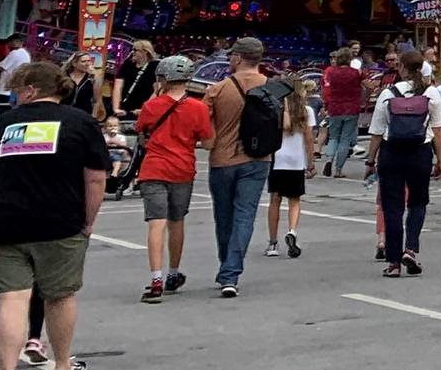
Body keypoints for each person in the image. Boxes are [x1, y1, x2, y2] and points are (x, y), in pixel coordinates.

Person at [0, 62, 106, 370]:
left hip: (2, 221)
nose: (16, 96)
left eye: (19, 90)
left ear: (31, 89)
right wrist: (88, 221)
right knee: (60, 296)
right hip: (59, 221)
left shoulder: (4, 125)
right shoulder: (81, 123)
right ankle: (62, 365)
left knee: (12, 298)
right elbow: (96, 179)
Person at [202, 37, 285, 297]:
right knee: (245, 215)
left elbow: (205, 133)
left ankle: (226, 266)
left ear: (237, 57)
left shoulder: (217, 90)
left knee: (223, 215)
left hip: (223, 160)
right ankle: (231, 272)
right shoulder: (272, 88)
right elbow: (284, 123)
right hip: (259, 159)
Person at [131, 57, 211, 304]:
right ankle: (173, 272)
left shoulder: (152, 106)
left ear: (163, 79)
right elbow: (207, 141)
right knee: (177, 222)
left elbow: (141, 130)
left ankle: (155, 278)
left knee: (156, 223)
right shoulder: (198, 108)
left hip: (154, 168)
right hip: (182, 169)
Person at [366, 44, 441, 277]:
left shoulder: (388, 93)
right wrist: (440, 161)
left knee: (392, 206)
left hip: (392, 152)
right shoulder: (431, 94)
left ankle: (393, 262)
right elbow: (438, 132)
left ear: (401, 68)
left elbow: (377, 132)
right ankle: (410, 248)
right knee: (418, 203)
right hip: (420, 152)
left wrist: (370, 161)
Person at [261, 79, 316, 260]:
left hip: (277, 158)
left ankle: (272, 242)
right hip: (296, 160)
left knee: (274, 200)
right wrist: (311, 161)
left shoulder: (277, 110)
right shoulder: (306, 111)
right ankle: (292, 231)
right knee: (294, 200)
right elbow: (309, 138)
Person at [319, 45, 368, 179]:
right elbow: (367, 84)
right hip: (352, 107)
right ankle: (338, 169)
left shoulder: (331, 72)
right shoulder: (356, 72)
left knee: (334, 137)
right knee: (345, 139)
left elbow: (326, 89)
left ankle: (329, 160)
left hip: (335, 107)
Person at [106, 42, 159, 127]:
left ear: (145, 51)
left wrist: (145, 109)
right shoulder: (128, 64)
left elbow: (157, 91)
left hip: (142, 107)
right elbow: (118, 86)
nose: (132, 52)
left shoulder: (155, 66)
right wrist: (116, 108)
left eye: (135, 50)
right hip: (124, 106)